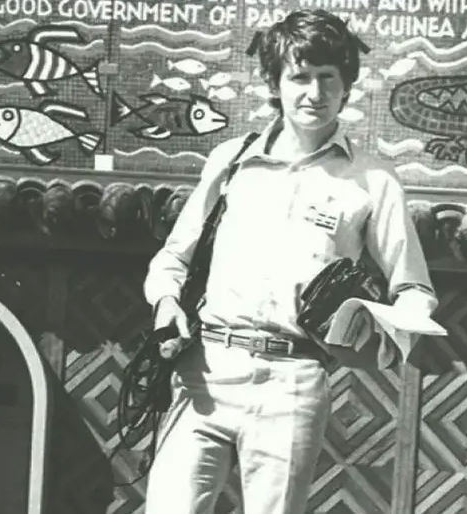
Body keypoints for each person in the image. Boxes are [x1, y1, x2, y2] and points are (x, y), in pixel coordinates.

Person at [142, 9, 437, 514]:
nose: (314, 93)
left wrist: (386, 324)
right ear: (275, 85)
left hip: (293, 382)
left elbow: (414, 290)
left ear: (348, 87)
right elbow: (173, 259)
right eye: (299, 77)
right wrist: (166, 303)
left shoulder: (373, 180)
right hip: (204, 373)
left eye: (328, 78)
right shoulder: (231, 161)